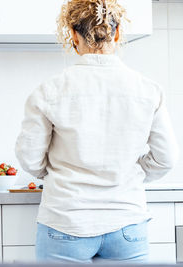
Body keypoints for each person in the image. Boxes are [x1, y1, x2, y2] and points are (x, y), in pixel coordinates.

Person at [15, 0, 179, 263]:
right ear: (116, 33)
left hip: (65, 221)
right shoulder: (148, 90)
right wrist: (129, 175)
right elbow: (165, 159)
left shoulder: (49, 90)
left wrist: (61, 175)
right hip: (127, 221)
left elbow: (30, 158)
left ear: (73, 35)